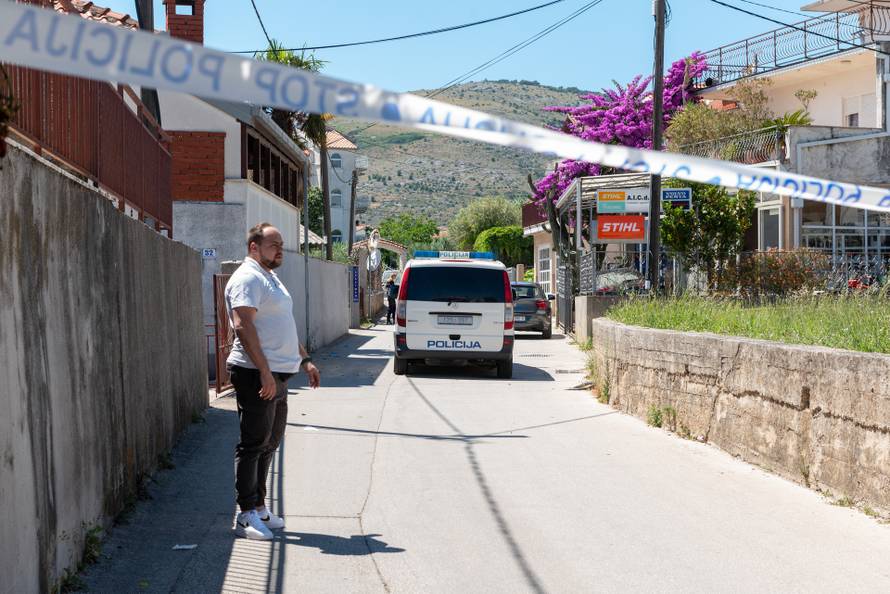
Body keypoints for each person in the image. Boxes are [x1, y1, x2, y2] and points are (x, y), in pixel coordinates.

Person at [225, 223, 321, 541]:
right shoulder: (247, 277)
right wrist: (264, 371)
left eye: (280, 244)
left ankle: (260, 506)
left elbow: (284, 326)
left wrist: (304, 360)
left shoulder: (270, 277)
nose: (279, 250)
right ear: (254, 247)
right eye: (272, 245)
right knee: (252, 443)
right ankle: (245, 514)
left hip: (278, 374)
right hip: (255, 373)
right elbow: (242, 325)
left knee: (269, 443)